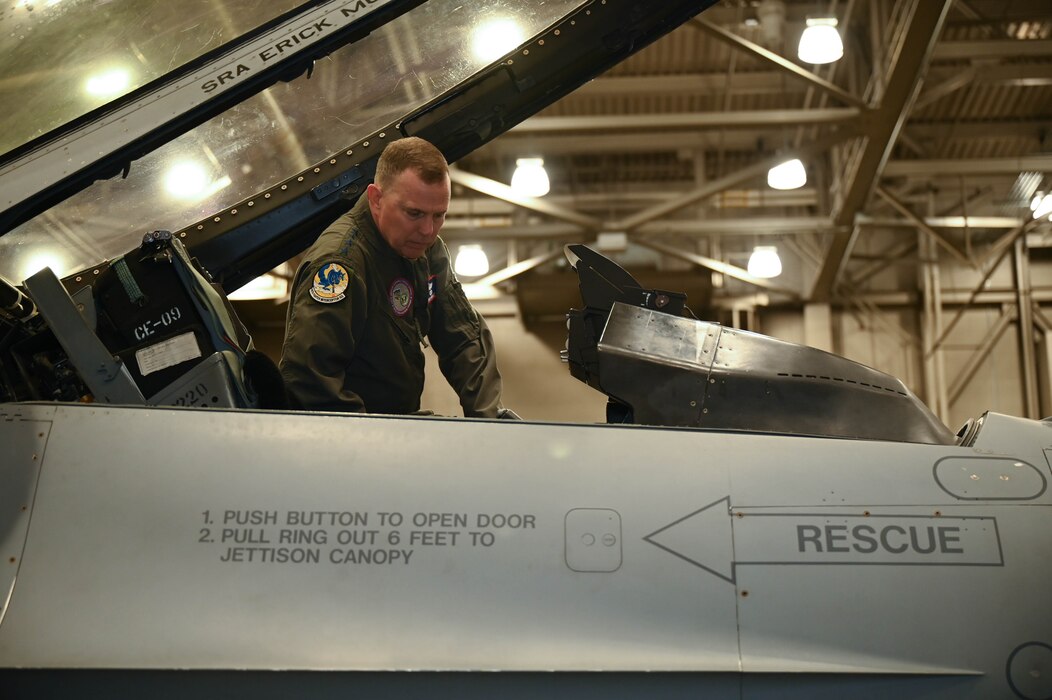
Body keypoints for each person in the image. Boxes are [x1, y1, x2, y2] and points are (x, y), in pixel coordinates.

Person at [280, 136, 510, 418]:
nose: (428, 230)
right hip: (351, 442)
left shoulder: (428, 251)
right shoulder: (340, 266)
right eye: (414, 213)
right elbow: (309, 380)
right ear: (376, 199)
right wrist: (379, 438)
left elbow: (462, 337)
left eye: (439, 215)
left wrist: (489, 420)